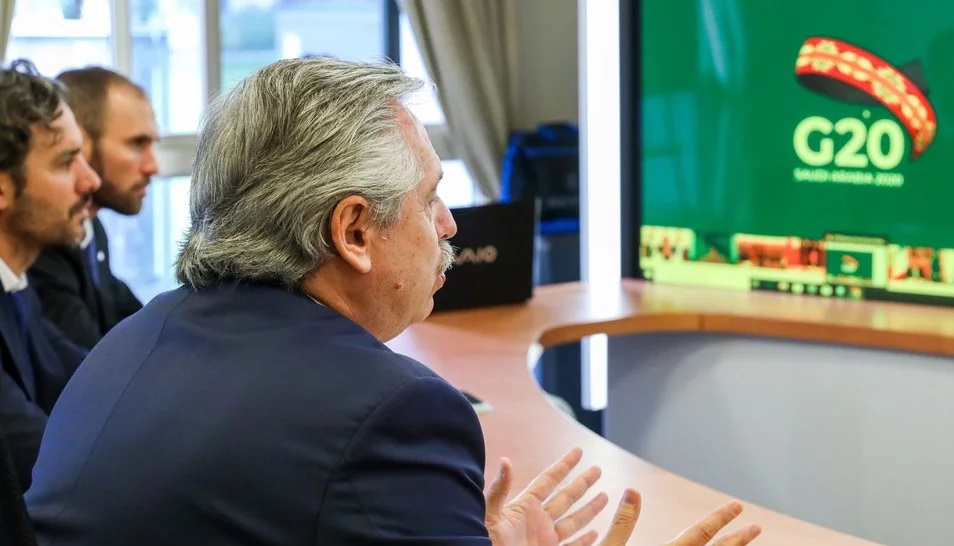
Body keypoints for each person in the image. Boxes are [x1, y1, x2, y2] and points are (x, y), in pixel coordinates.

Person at [26, 57, 762, 546]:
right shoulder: (393, 414)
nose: (448, 225)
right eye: (430, 198)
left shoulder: (132, 342)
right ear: (354, 232)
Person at [0, 59, 99, 489]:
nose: (91, 181)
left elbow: (89, 378)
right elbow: (50, 463)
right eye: (66, 162)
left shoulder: (16, 285)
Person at [27, 67, 159, 349]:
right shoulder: (41, 243)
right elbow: (89, 361)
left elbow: (127, 313)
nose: (153, 166)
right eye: (137, 143)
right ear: (81, 144)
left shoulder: (90, 227)